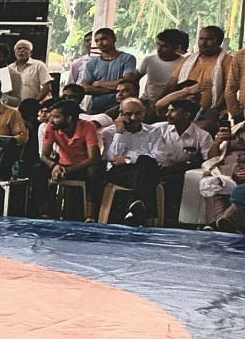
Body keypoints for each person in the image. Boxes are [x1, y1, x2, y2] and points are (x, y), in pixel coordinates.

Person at [100, 95, 171, 225]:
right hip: (119, 172)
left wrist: (130, 159)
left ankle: (134, 208)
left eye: (138, 113)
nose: (133, 118)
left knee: (146, 165)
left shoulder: (153, 131)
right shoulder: (110, 132)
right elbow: (112, 157)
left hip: (145, 169)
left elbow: (161, 157)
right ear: (121, 114)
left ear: (144, 113)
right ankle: (139, 209)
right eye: (128, 114)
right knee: (147, 164)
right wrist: (119, 132)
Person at [39, 99, 102, 217]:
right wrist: (54, 166)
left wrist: (70, 170)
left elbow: (94, 158)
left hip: (82, 167)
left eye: (56, 116)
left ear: (69, 118)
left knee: (95, 171)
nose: (51, 120)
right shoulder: (51, 127)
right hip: (62, 165)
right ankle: (45, 212)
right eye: (51, 116)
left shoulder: (88, 127)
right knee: (39, 169)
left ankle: (90, 216)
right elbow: (44, 156)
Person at [71, 27, 138, 116]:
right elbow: (84, 88)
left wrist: (98, 83)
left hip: (121, 109)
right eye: (97, 41)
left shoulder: (127, 59)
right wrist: (113, 89)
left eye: (104, 39)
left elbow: (127, 81)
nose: (100, 43)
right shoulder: (91, 64)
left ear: (114, 39)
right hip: (97, 109)